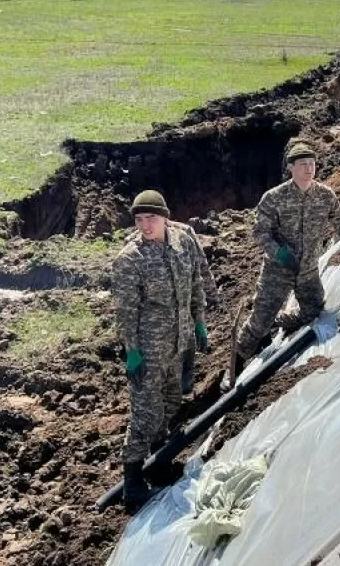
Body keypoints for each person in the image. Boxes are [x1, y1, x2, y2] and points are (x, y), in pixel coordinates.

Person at [235, 140, 340, 363]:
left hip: (308, 270)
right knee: (259, 321)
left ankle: (278, 322)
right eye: (302, 164)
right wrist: (278, 253)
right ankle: (238, 359)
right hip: (278, 270)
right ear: (291, 167)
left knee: (313, 310)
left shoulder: (325, 195)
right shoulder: (274, 198)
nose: (308, 168)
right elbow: (260, 232)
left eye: (312, 164)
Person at [112, 190, 213, 513]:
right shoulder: (131, 259)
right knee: (145, 412)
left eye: (151, 218)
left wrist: (199, 323)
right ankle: (132, 483)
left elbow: (194, 284)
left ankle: (157, 464)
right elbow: (125, 310)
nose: (145, 226)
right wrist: (132, 351)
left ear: (165, 217)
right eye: (139, 220)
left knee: (170, 402)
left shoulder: (182, 243)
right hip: (149, 348)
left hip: (178, 341)